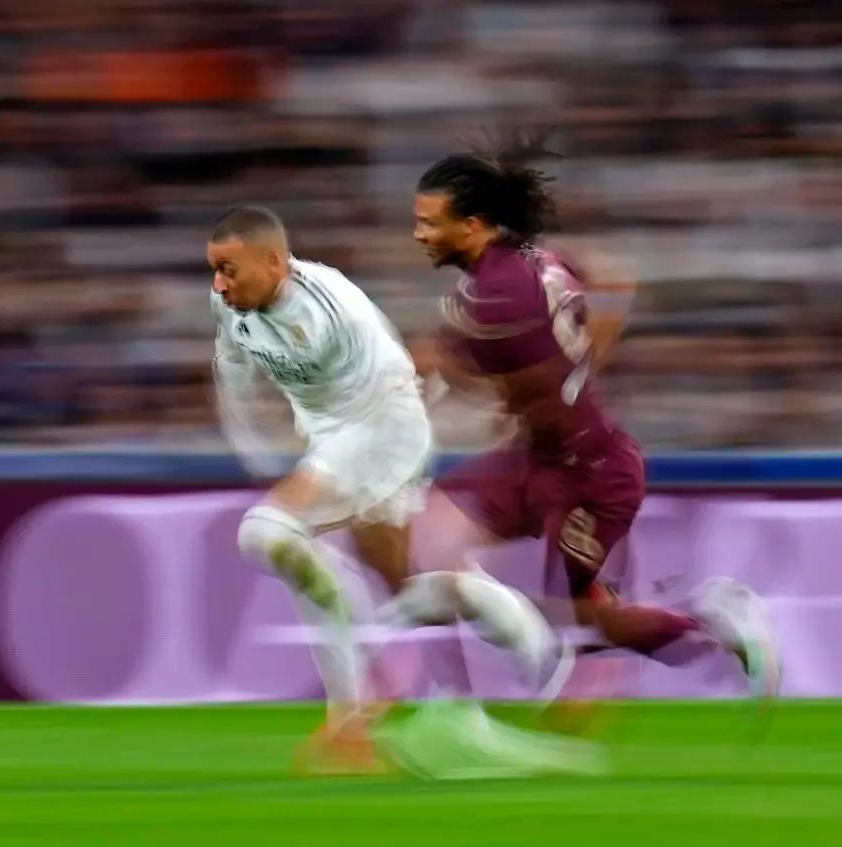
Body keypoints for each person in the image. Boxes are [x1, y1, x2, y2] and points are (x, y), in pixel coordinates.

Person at [380, 131, 780, 768]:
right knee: (431, 540)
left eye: (430, 224)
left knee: (588, 623)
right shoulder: (534, 258)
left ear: (474, 224)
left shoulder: (493, 298)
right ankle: (460, 711)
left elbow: (447, 370)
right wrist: (579, 367)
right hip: (539, 457)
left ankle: (717, 628)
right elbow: (612, 275)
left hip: (587, 472)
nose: (419, 235)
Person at [207, 204, 568, 775]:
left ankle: (354, 714)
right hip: (340, 433)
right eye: (216, 270)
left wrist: (318, 479)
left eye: (230, 269)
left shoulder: (326, 311)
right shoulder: (233, 303)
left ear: (275, 261)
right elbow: (232, 364)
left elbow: (378, 397)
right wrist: (252, 443)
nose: (220, 285)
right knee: (406, 582)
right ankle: (534, 638)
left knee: (268, 532)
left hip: (383, 427)